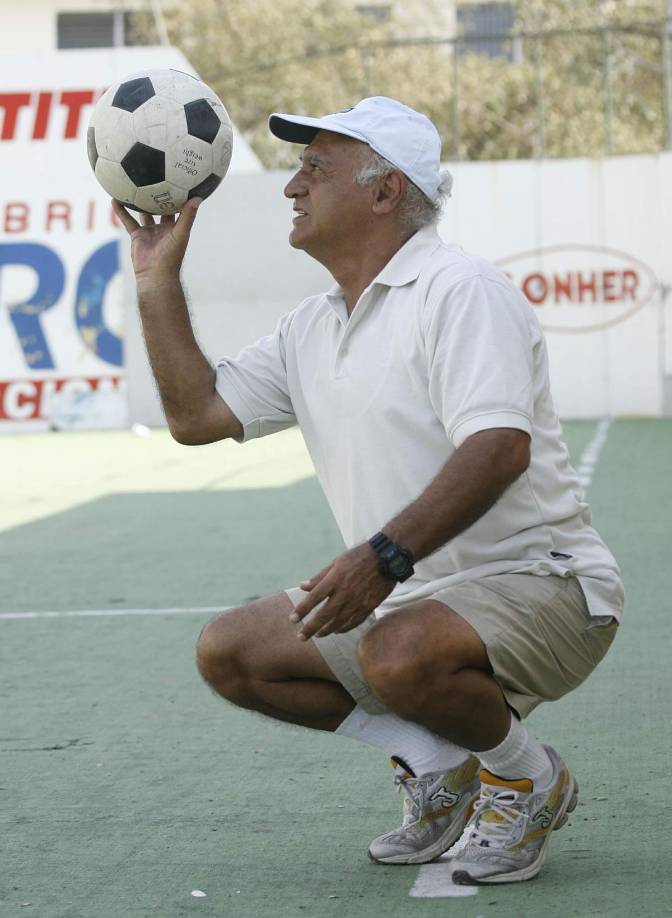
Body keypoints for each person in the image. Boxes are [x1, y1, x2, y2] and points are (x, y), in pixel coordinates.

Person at [114, 96, 623, 885]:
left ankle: (527, 778)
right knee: (234, 652)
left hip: (548, 587)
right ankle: (441, 764)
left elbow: (499, 448)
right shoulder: (311, 326)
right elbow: (196, 417)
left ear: (386, 192)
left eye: (315, 169)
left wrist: (384, 557)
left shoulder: (460, 288)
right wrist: (155, 282)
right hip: (413, 605)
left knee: (397, 649)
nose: (293, 187)